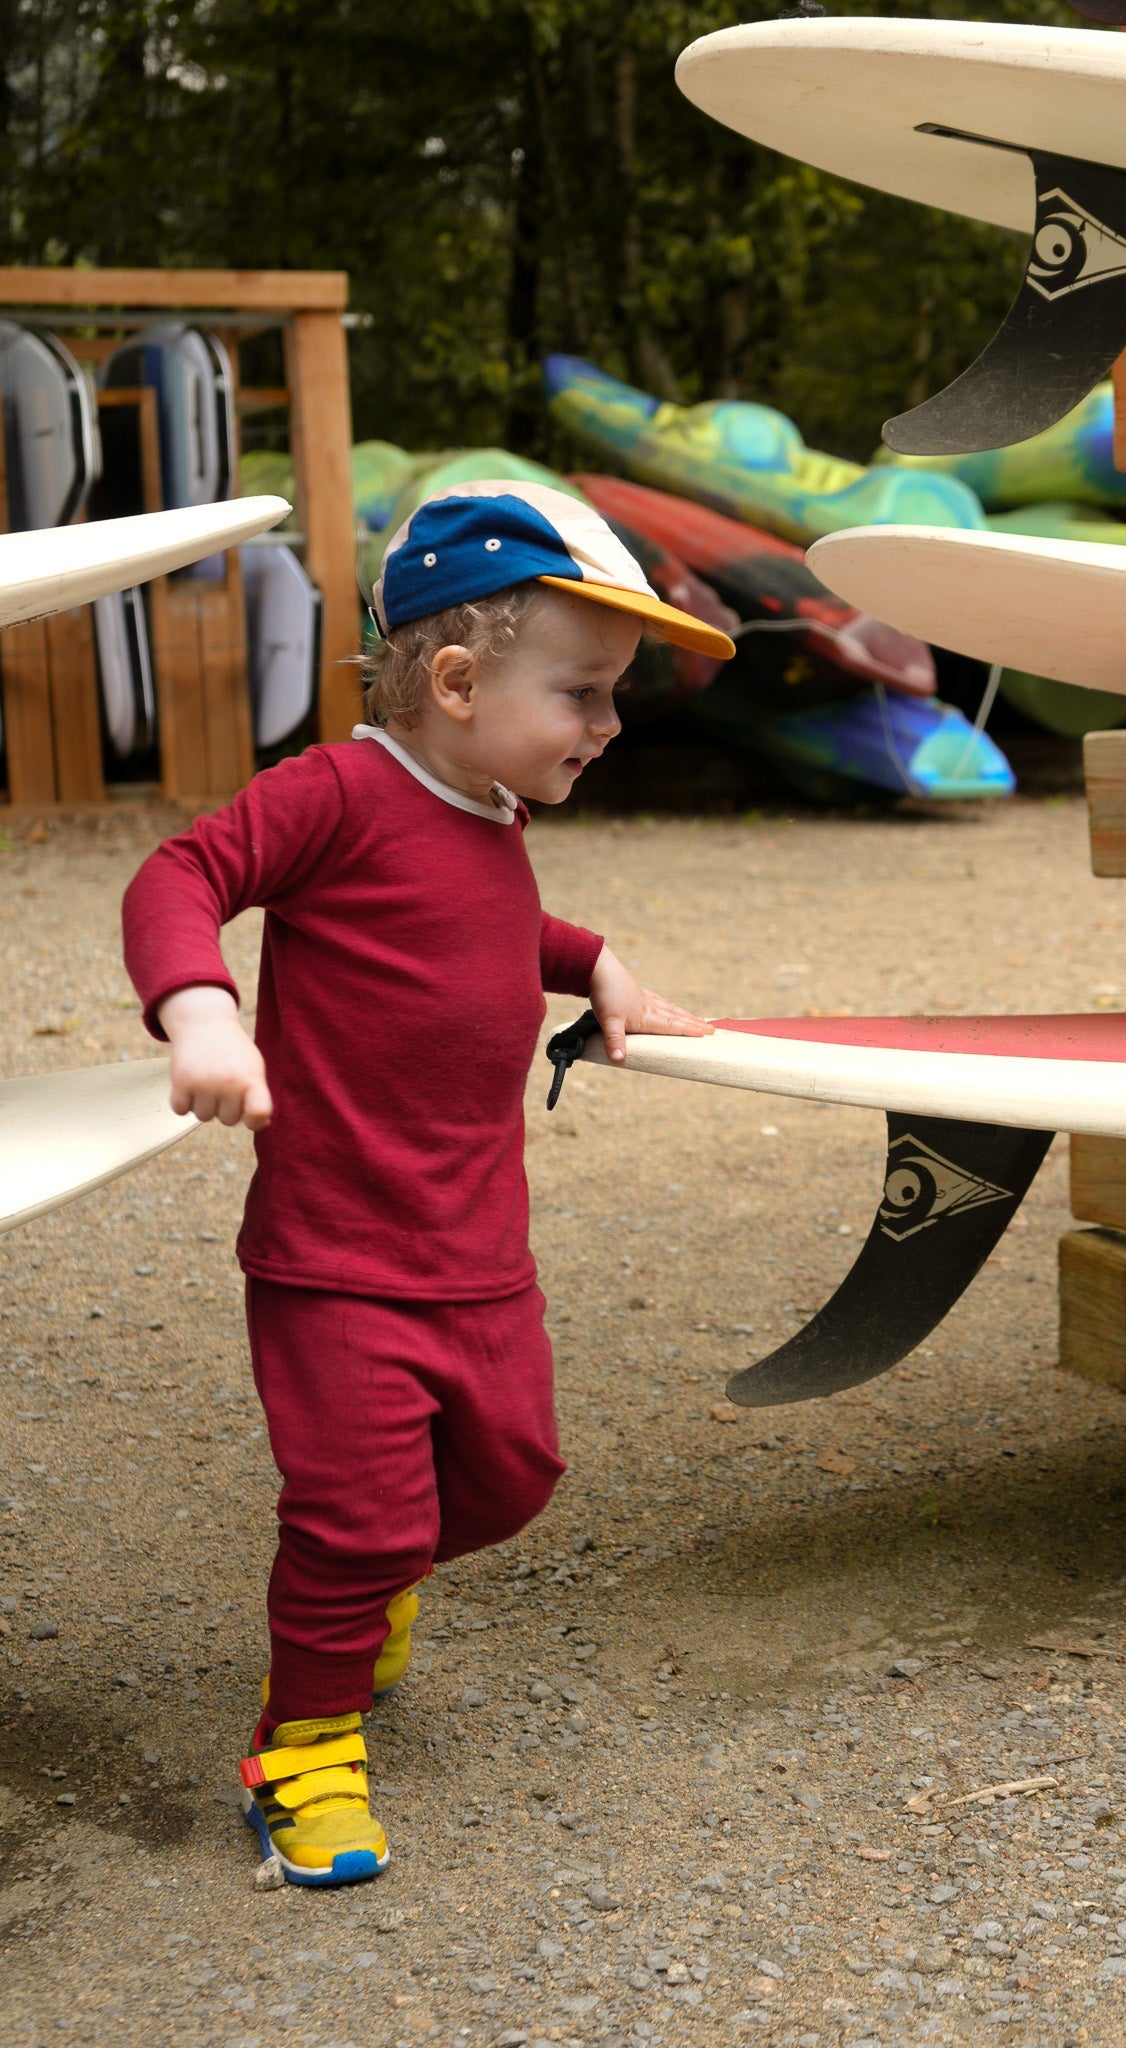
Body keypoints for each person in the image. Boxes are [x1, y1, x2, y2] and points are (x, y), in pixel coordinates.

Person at [122, 480, 732, 1886]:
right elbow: (177, 873)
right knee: (360, 1517)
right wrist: (200, 1010)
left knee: (514, 1479)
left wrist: (595, 967)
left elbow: (490, 924)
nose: (610, 725)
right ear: (456, 682)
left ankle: (364, 1585)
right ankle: (304, 1744)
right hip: (336, 1259)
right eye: (583, 692)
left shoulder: (492, 814)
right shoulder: (335, 793)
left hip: (478, 1258)